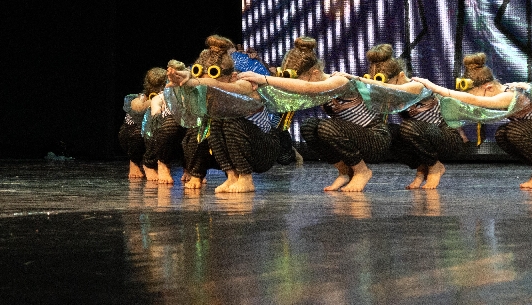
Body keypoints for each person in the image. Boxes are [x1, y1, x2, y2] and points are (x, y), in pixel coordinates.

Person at [239, 36, 390, 192]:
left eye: (300, 79)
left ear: (315, 72)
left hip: (375, 138)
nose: (297, 84)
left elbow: (306, 87)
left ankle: (362, 171)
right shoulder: (316, 84)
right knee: (309, 127)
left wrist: (264, 78)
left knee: (326, 127)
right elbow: (283, 93)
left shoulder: (339, 81)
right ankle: (344, 172)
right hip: (353, 139)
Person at [413, 53, 532, 190]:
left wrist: (434, 87)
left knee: (514, 131)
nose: (475, 100)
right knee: (502, 135)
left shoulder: (508, 95)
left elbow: (474, 100)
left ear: (488, 87)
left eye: (475, 93)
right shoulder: (503, 91)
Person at [336, 44, 463, 189]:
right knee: (387, 133)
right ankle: (421, 170)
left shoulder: (417, 85)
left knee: (408, 127)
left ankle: (435, 168)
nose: (381, 88)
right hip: (423, 137)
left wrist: (356, 78)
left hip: (447, 137)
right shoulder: (389, 93)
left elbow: (392, 89)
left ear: (401, 75)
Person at [168, 43, 284, 193]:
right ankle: (232, 176)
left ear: (232, 76)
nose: (207, 88)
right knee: (210, 122)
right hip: (238, 148)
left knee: (230, 120)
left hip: (264, 149)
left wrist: (192, 81)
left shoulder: (245, 83)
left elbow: (215, 84)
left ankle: (246, 178)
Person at [118, 67, 167, 179]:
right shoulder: (142, 96)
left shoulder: (170, 96)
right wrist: (154, 102)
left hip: (155, 138)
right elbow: (137, 106)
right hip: (134, 136)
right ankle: (134, 163)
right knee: (137, 131)